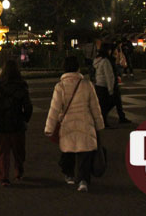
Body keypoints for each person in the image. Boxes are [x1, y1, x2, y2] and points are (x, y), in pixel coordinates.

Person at [45, 56, 104, 192]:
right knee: (84, 153)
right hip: (85, 121)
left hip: (67, 124)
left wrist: (49, 127)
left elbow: (54, 109)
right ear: (78, 68)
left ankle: (69, 175)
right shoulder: (86, 84)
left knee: (68, 150)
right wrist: (99, 124)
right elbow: (95, 107)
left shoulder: (60, 86)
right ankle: (83, 180)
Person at [0, 60, 33, 186]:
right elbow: (28, 106)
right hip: (17, 122)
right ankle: (18, 172)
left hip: (2, 123)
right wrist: (25, 118)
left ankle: (4, 177)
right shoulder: (21, 86)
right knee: (19, 151)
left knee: (2, 152)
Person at [93, 43, 116, 126]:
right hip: (104, 85)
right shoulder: (105, 61)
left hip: (98, 84)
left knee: (102, 105)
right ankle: (102, 121)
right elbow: (109, 76)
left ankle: (102, 121)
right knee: (109, 103)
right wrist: (111, 89)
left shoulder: (97, 60)